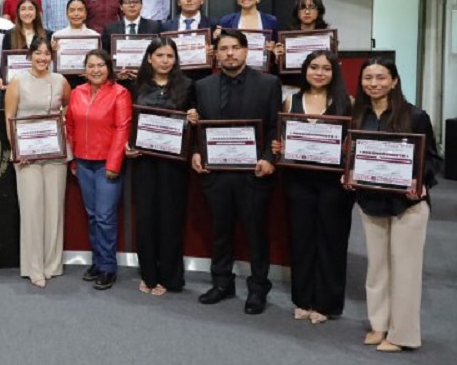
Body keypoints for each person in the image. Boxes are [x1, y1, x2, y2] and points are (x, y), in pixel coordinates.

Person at [349, 58, 440, 352]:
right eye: (368, 78)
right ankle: (380, 325)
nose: (373, 84)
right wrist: (349, 174)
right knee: (377, 268)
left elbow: (433, 158)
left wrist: (420, 181)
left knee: (405, 270)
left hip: (407, 205)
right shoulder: (358, 115)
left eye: (380, 78)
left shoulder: (415, 115)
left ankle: (403, 335)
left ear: (394, 81)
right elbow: (351, 153)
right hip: (371, 201)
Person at [191, 30, 282, 315]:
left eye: (235, 48)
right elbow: (199, 128)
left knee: (256, 233)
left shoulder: (268, 84)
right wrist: (196, 151)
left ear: (246, 51)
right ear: (215, 53)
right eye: (223, 49)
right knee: (220, 231)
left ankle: (258, 288)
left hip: (254, 173)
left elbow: (275, 127)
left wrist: (270, 158)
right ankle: (222, 283)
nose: (229, 53)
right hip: (216, 174)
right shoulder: (203, 86)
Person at [272, 50, 353, 324]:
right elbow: (281, 137)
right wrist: (278, 147)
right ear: (305, 70)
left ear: (334, 73)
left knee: (331, 241)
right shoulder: (290, 100)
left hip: (334, 184)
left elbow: (355, 144)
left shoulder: (346, 103)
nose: (319, 73)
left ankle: (326, 303)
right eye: (314, 67)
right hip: (299, 181)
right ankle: (303, 299)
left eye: (326, 68)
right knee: (302, 240)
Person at [125, 38, 197, 295]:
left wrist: (192, 119)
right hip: (144, 162)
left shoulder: (188, 86)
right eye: (160, 55)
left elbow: (193, 126)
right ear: (149, 58)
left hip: (173, 165)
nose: (165, 60)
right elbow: (129, 122)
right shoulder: (137, 86)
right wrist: (128, 145)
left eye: (170, 55)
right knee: (145, 219)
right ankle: (148, 274)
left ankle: (170, 277)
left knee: (170, 219)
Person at [4, 37, 71, 288]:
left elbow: (68, 104)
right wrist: (17, 150)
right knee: (32, 208)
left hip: (55, 151)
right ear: (29, 56)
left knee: (54, 207)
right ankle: (33, 267)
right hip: (27, 153)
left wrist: (60, 122)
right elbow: (9, 117)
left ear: (52, 57)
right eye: (38, 53)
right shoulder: (17, 81)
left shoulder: (60, 81)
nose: (42, 58)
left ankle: (52, 263)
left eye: (46, 54)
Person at [65, 49, 131, 291]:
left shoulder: (120, 93)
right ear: (84, 70)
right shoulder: (76, 93)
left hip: (106, 164)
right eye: (91, 65)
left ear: (109, 68)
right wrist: (73, 161)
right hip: (82, 162)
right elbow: (70, 127)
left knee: (104, 218)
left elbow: (122, 130)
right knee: (92, 216)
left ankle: (108, 267)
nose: (96, 70)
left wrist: (114, 164)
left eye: (101, 65)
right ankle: (97, 261)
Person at [101, 0, 162, 83]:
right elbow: (105, 56)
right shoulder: (110, 29)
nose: (132, 5)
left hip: (147, 80)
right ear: (121, 7)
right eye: (127, 2)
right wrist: (115, 73)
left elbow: (159, 54)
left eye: (136, 2)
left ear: (141, 5)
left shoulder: (154, 27)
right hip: (119, 80)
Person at [162, 0, 215, 81]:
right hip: (174, 78)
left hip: (203, 78)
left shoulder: (212, 25)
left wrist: (214, 52)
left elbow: (218, 56)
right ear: (178, 2)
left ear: (202, 0)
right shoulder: (166, 27)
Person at [51, 0, 100, 88]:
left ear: (85, 14)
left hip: (89, 82)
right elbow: (53, 65)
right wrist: (53, 52)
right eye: (72, 10)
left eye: (80, 10)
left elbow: (99, 63)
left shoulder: (95, 36)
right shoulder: (57, 36)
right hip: (64, 82)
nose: (76, 14)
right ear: (67, 14)